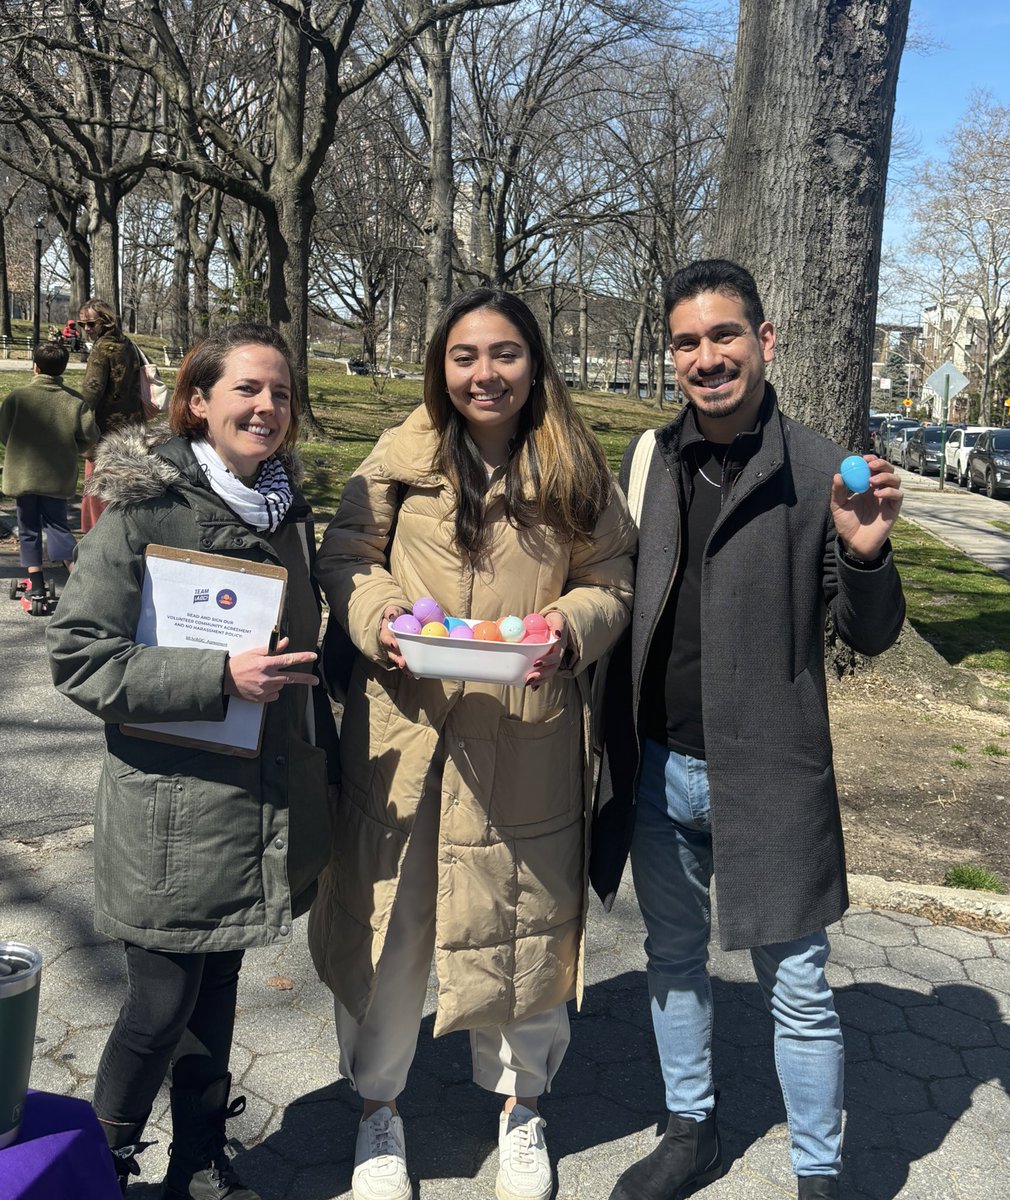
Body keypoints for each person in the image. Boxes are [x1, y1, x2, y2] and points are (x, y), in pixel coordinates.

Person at [308, 288, 637, 1200]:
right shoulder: (401, 455)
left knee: (521, 925)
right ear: (441, 366)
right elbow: (346, 554)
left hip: (524, 735)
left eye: (503, 354)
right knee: (391, 927)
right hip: (407, 728)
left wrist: (569, 629)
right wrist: (379, 620)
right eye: (464, 356)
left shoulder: (575, 464)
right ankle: (380, 1110)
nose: (484, 374)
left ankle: (522, 1108)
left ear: (534, 362)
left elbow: (613, 574)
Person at [592, 260, 906, 1200]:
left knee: (800, 989)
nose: (707, 357)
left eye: (724, 335)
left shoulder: (820, 471)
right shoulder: (648, 460)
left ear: (764, 343)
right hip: (659, 770)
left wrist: (866, 552)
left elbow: (873, 634)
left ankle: (818, 1173)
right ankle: (691, 1127)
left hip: (770, 772)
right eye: (687, 341)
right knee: (673, 959)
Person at [47, 324, 337, 1198]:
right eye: (247, 389)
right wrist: (219, 676)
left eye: (281, 392)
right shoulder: (145, 507)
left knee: (216, 992)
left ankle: (198, 1160)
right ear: (198, 401)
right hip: (172, 812)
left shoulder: (286, 513)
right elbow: (79, 654)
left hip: (260, 803)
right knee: (159, 1005)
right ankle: (98, 1167)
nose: (267, 407)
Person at [0, 338, 98, 607]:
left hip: (23, 474)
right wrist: (70, 447)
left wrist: (19, 449)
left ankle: (36, 582)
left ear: (35, 367)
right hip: (57, 476)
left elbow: (5, 432)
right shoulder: (75, 402)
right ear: (63, 368)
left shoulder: (17, 397)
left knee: (28, 527)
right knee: (57, 526)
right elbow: (90, 437)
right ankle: (78, 580)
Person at [77, 297, 145, 532]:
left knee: (97, 489)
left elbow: (91, 391)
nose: (86, 330)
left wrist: (76, 419)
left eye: (90, 324)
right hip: (131, 428)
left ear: (105, 322)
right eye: (82, 324)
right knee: (122, 486)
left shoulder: (101, 348)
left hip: (103, 432)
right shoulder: (128, 344)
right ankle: (121, 533)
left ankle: (96, 536)